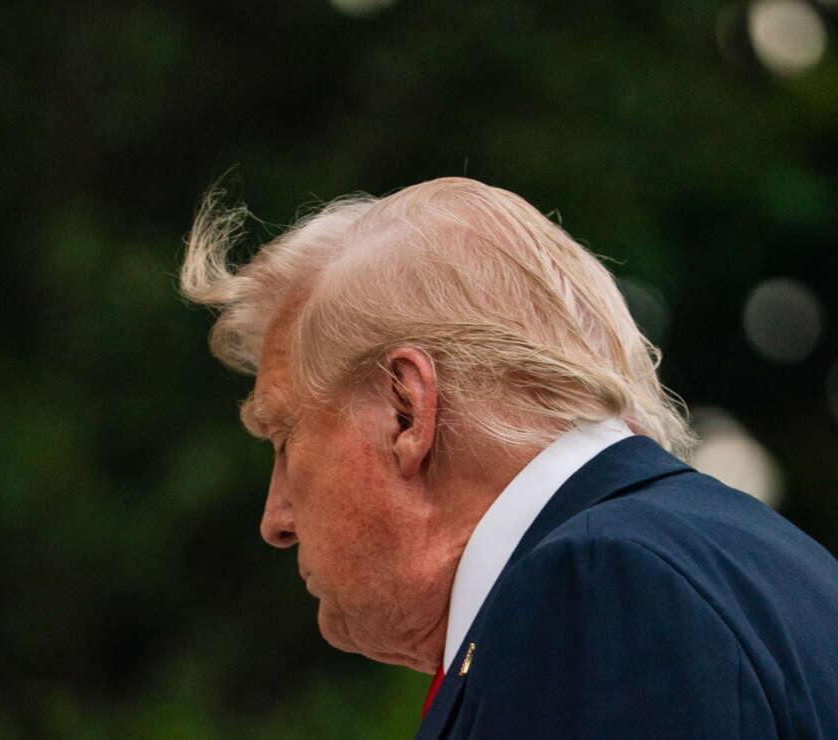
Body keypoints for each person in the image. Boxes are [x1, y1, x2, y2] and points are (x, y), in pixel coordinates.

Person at [179, 177, 838, 738]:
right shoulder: (755, 563)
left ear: (405, 410)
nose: (276, 517)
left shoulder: (598, 589)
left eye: (285, 438)